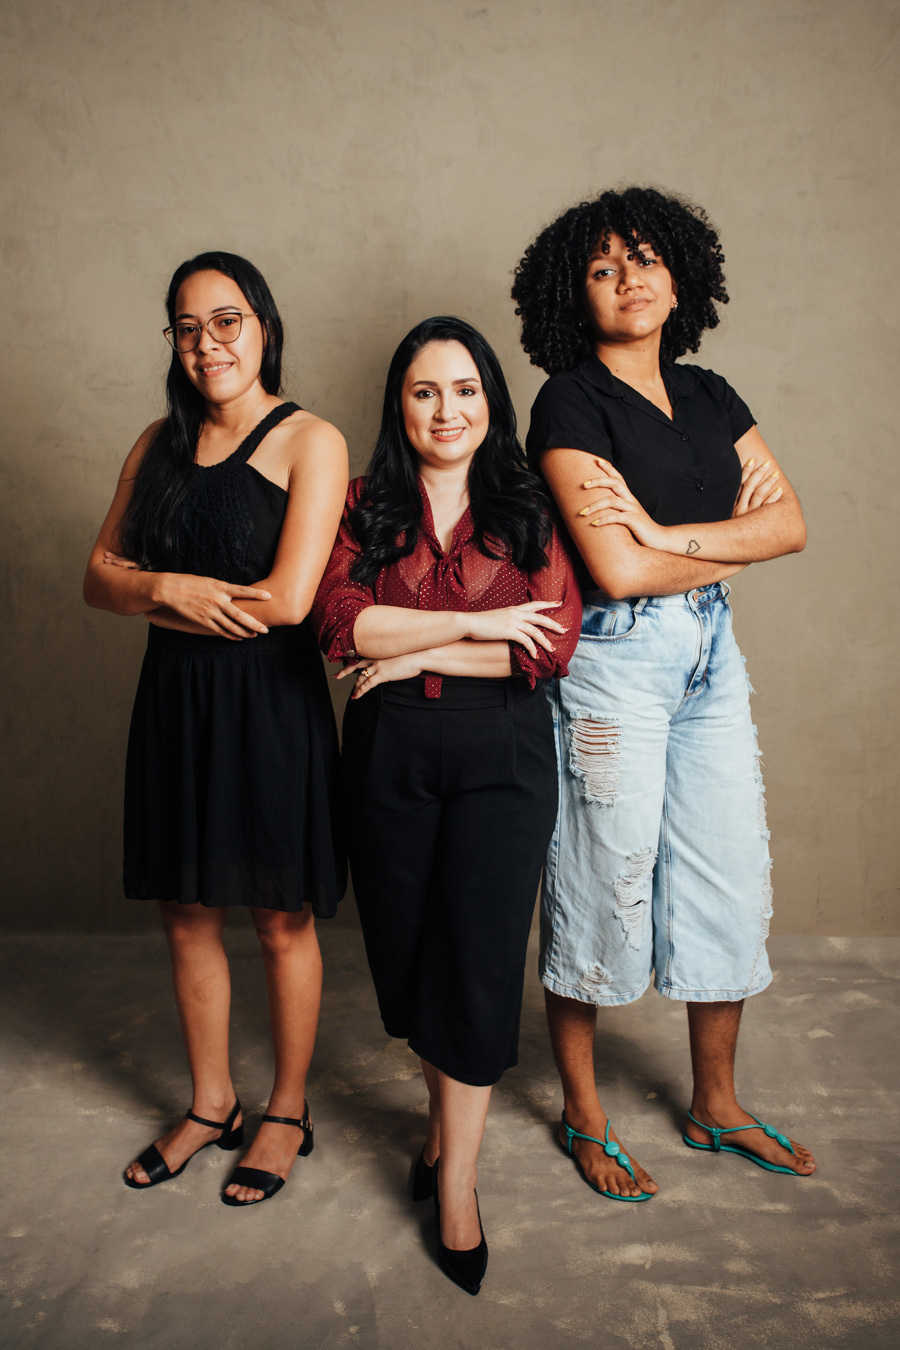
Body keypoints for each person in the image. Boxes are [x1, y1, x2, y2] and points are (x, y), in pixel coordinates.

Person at [510, 187, 816, 1201]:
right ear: (575, 297)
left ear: (680, 279)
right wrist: (714, 543)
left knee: (727, 870)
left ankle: (716, 1105)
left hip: (710, 654)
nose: (628, 279)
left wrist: (661, 533)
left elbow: (791, 524)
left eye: (643, 259)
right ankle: (585, 1115)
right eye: (602, 268)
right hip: (613, 662)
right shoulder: (567, 402)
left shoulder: (713, 395)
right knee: (601, 876)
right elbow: (616, 569)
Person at [312, 316, 580, 1293]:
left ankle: (457, 1183)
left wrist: (414, 648)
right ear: (400, 404)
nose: (446, 410)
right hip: (387, 752)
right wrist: (477, 627)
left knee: (474, 960)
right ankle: (439, 1131)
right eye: (425, 391)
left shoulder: (529, 505)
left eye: (465, 389)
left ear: (491, 402)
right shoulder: (361, 504)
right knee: (410, 956)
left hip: (502, 751)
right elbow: (340, 627)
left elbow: (550, 645)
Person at [83, 251, 348, 1207]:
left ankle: (287, 1110)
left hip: (269, 707)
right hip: (175, 704)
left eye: (227, 321)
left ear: (263, 326)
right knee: (186, 911)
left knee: (280, 918)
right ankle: (210, 1104)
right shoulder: (156, 442)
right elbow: (97, 578)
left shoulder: (311, 439)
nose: (209, 345)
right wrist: (169, 587)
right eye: (188, 328)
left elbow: (288, 602)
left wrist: (156, 602)